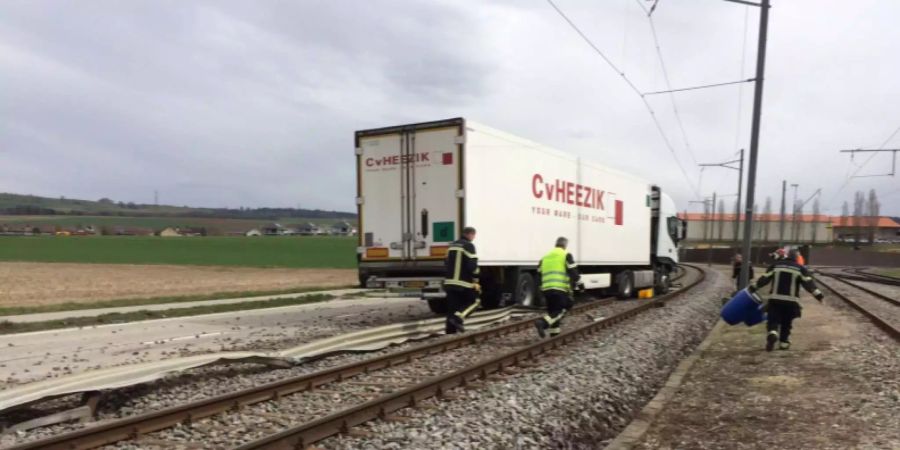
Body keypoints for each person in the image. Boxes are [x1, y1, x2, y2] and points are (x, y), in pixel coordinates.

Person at [749, 248, 825, 351]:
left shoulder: (776, 265)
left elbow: (764, 279)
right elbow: (809, 284)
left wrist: (753, 288)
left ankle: (773, 333)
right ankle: (784, 343)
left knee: (773, 319)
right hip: (791, 301)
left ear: (787, 256)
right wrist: (819, 296)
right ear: (797, 258)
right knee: (787, 322)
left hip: (775, 299)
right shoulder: (800, 269)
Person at [534, 237, 580, 338]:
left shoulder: (544, 257)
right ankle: (542, 322)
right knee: (564, 308)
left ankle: (554, 336)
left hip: (546, 290)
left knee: (553, 312)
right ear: (565, 245)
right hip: (560, 289)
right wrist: (578, 284)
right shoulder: (566, 255)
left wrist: (540, 291)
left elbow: (538, 275)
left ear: (556, 244)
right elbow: (574, 274)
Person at [443, 226, 480, 333]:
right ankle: (458, 318)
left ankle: (450, 331)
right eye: (473, 235)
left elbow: (445, 262)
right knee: (475, 301)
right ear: (470, 234)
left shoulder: (451, 246)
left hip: (449, 282)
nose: (473, 237)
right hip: (463, 282)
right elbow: (472, 266)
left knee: (453, 306)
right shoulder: (469, 246)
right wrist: (476, 279)